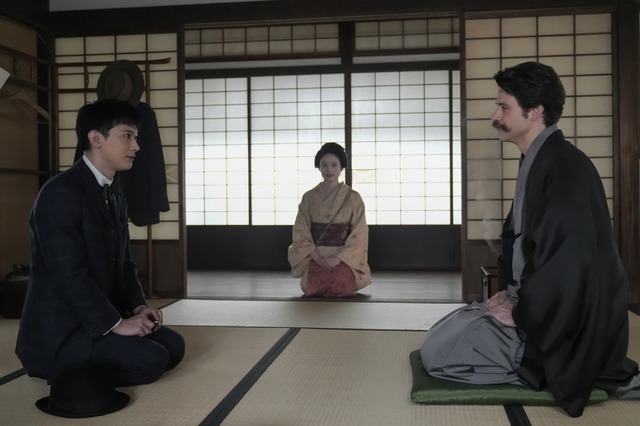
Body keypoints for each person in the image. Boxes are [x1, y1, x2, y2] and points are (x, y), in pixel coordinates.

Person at [420, 61, 639, 417]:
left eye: (503, 107)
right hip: (540, 303)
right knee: (448, 328)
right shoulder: (537, 160)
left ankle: (537, 367)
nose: (495, 115)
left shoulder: (565, 168)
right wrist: (509, 294)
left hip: (564, 324)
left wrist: (521, 311)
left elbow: (566, 264)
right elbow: (525, 245)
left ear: (535, 111)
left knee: (441, 352)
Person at [16, 98, 185, 387]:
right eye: (127, 136)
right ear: (96, 139)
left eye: (136, 137)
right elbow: (68, 276)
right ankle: (68, 375)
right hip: (62, 331)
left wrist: (138, 309)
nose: (136, 146)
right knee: (152, 359)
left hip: (98, 316)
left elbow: (124, 264)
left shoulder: (115, 193)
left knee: (173, 346)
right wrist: (116, 324)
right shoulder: (59, 193)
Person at [288, 142, 372, 297]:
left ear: (341, 167)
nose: (329, 170)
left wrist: (338, 258)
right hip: (315, 256)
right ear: (319, 167)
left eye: (334, 165)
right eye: (324, 165)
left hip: (343, 258)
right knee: (310, 286)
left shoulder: (353, 198)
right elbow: (300, 232)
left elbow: (359, 234)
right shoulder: (309, 198)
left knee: (341, 284)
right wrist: (316, 257)